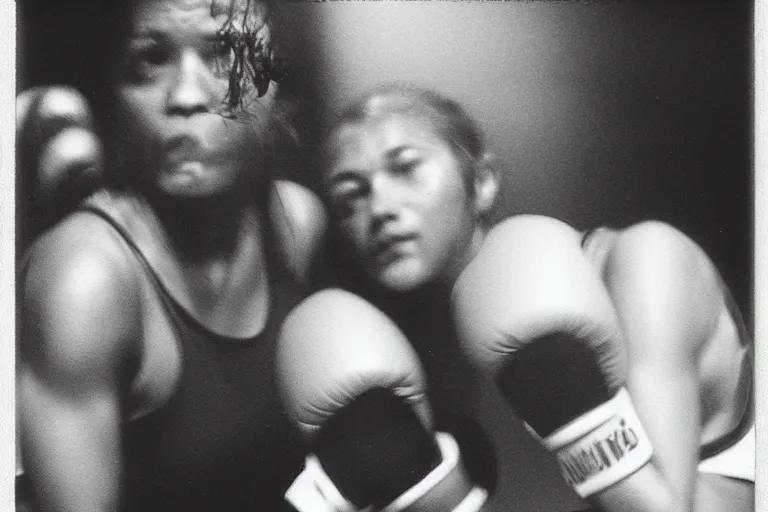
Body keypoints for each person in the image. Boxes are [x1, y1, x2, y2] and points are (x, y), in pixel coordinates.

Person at [317, 84, 754, 512]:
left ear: (483, 181)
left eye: (406, 168)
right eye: (350, 196)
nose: (379, 208)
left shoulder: (644, 261)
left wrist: (564, 389)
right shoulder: (404, 366)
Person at [16, 0, 329, 510]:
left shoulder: (296, 223)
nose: (186, 95)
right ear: (114, 94)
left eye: (227, 53)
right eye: (149, 61)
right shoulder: (85, 279)